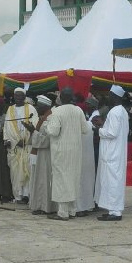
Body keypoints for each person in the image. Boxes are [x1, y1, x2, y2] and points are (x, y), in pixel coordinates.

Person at [44, 88, 89, 221]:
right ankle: (72, 210)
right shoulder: (78, 110)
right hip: (75, 151)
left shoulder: (57, 111)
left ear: (61, 98)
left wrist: (46, 124)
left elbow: (53, 132)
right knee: (73, 178)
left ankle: (63, 213)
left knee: (61, 180)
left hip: (61, 151)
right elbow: (85, 129)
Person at [94, 85, 129, 221]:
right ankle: (112, 210)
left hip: (112, 153)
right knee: (112, 181)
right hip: (116, 151)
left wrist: (99, 130)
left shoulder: (115, 112)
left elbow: (112, 133)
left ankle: (115, 212)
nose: (107, 98)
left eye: (109, 95)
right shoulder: (122, 111)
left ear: (114, 96)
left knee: (113, 181)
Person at [3, 87, 38, 203]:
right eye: (16, 96)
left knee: (27, 172)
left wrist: (24, 140)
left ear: (24, 97)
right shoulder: (10, 109)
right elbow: (6, 127)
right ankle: (18, 196)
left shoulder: (31, 108)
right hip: (14, 147)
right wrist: (7, 139)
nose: (18, 98)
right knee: (15, 172)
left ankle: (27, 195)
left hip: (26, 146)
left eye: (20, 96)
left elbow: (35, 126)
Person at [24, 95, 55, 214]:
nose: (36, 107)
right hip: (40, 153)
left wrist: (32, 131)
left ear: (45, 107)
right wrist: (32, 130)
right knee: (39, 180)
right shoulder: (42, 118)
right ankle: (38, 205)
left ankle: (45, 207)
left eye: (38, 105)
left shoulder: (50, 118)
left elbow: (46, 140)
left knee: (44, 180)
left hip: (46, 155)